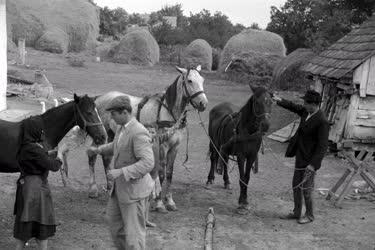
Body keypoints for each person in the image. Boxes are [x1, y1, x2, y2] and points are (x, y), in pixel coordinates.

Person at [88, 95, 154, 250]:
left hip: (133, 193)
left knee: (134, 237)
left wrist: (121, 172)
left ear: (125, 112)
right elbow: (117, 145)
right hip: (119, 191)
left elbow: (148, 163)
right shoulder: (121, 128)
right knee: (115, 227)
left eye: (113, 114)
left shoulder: (138, 132)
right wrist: (98, 149)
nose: (111, 117)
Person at [273, 90, 329, 224]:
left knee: (307, 190)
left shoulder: (322, 121)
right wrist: (279, 100)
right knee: (296, 186)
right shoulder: (306, 112)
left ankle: (309, 215)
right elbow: (293, 106)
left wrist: (313, 165)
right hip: (300, 157)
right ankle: (296, 212)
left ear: (314, 105)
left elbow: (322, 146)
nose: (303, 104)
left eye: (306, 103)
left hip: (310, 162)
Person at [14, 116, 62, 250]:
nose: (42, 132)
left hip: (27, 187)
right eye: (40, 130)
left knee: (24, 228)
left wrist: (49, 152)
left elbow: (40, 156)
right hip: (35, 191)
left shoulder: (26, 145)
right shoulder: (33, 149)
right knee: (41, 226)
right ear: (34, 130)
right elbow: (53, 166)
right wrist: (60, 156)